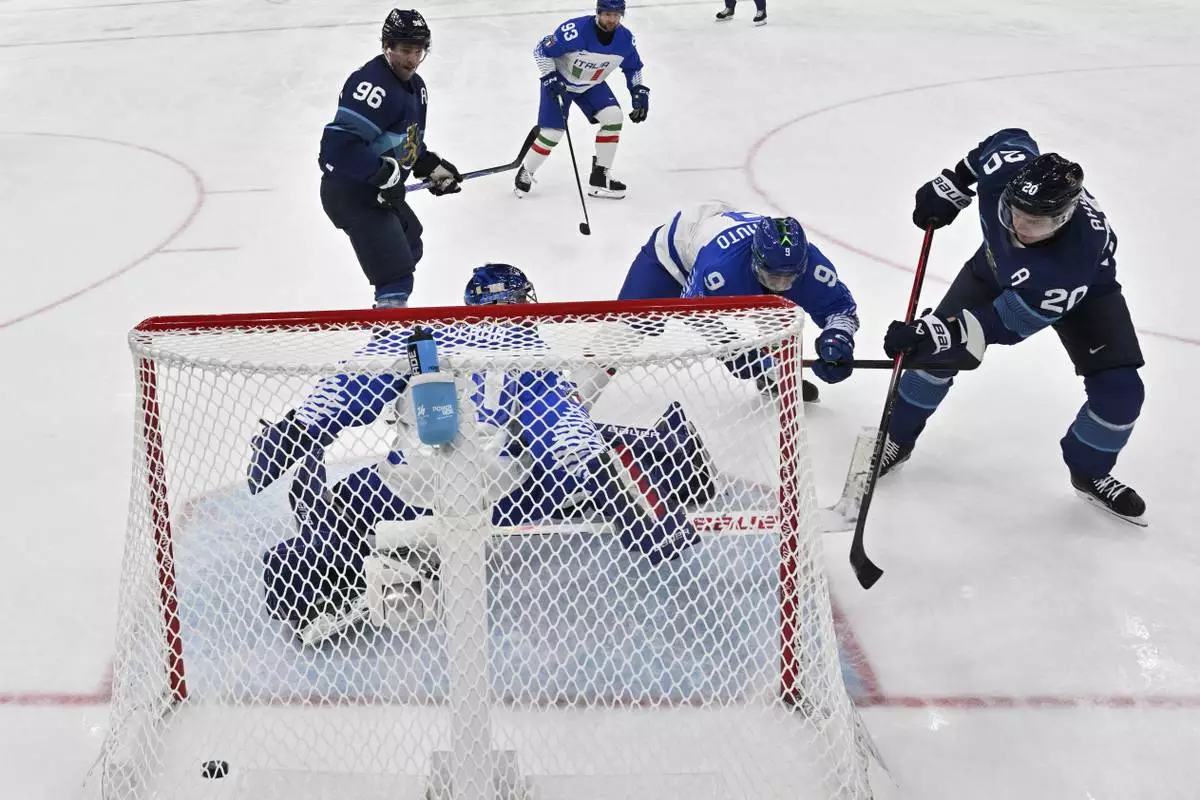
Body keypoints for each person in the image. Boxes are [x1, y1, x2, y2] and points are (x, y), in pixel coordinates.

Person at [253, 265, 715, 644]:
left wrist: (297, 430)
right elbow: (559, 424)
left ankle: (326, 582)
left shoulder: (418, 337)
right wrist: (592, 468)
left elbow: (349, 388)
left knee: (340, 502)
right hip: (498, 498)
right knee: (563, 459)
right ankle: (671, 457)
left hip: (408, 489)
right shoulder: (529, 350)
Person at [880, 127, 1146, 525]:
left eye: (1034, 222)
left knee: (1121, 393)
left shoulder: (1070, 262)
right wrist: (955, 181)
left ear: (1063, 218)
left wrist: (936, 332)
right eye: (1014, 212)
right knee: (930, 361)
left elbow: (1002, 323)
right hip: (992, 268)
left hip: (1086, 293)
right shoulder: (1007, 174)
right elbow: (1010, 137)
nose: (1019, 225)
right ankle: (897, 437)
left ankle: (1089, 471)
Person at [614, 201, 860, 403]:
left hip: (720, 243)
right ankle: (588, 382)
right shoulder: (719, 269)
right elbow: (693, 311)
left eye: (789, 277)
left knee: (782, 318)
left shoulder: (815, 268)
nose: (781, 284)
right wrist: (733, 350)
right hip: (673, 254)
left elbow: (841, 309)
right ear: (755, 258)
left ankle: (772, 374)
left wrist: (838, 339)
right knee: (627, 328)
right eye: (773, 276)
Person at [317, 9, 463, 308]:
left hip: (377, 192)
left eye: (419, 51)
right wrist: (385, 175)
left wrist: (429, 165)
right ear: (387, 46)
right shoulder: (372, 85)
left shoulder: (416, 86)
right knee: (395, 276)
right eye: (406, 50)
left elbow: (403, 140)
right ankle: (388, 331)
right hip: (351, 194)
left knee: (411, 244)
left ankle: (389, 317)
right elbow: (337, 147)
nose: (412, 59)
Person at [513, 0, 648, 200]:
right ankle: (526, 170)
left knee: (613, 117)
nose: (612, 20)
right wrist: (550, 77)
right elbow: (541, 50)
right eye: (607, 14)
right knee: (552, 134)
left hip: (591, 85)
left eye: (616, 15)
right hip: (560, 83)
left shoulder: (625, 40)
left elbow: (633, 67)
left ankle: (600, 177)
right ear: (598, 13)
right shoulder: (575, 31)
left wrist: (638, 90)